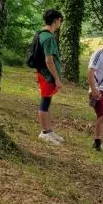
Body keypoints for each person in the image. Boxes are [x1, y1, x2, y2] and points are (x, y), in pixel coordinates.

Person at [35, 9, 64, 145]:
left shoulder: (41, 34)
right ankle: (44, 133)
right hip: (48, 75)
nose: (60, 23)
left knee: (47, 102)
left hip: (43, 74)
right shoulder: (49, 37)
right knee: (45, 103)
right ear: (55, 20)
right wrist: (57, 78)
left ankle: (49, 130)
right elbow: (49, 60)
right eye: (60, 21)